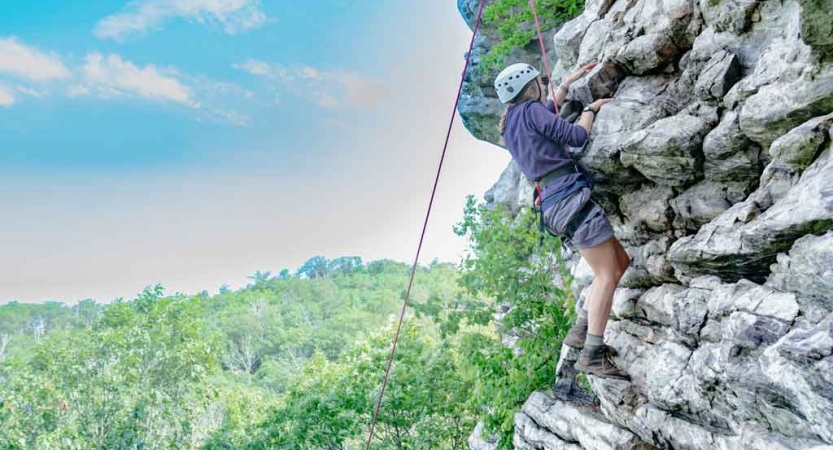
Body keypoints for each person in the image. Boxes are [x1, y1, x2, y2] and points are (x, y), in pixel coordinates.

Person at [494, 62, 631, 380]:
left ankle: (581, 331)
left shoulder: (512, 122)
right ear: (530, 88)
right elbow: (577, 136)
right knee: (607, 274)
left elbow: (544, 116)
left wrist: (566, 85)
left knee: (620, 262)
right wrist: (590, 109)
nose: (544, 84)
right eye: (539, 82)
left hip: (555, 205)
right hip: (569, 200)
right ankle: (592, 354)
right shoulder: (531, 110)